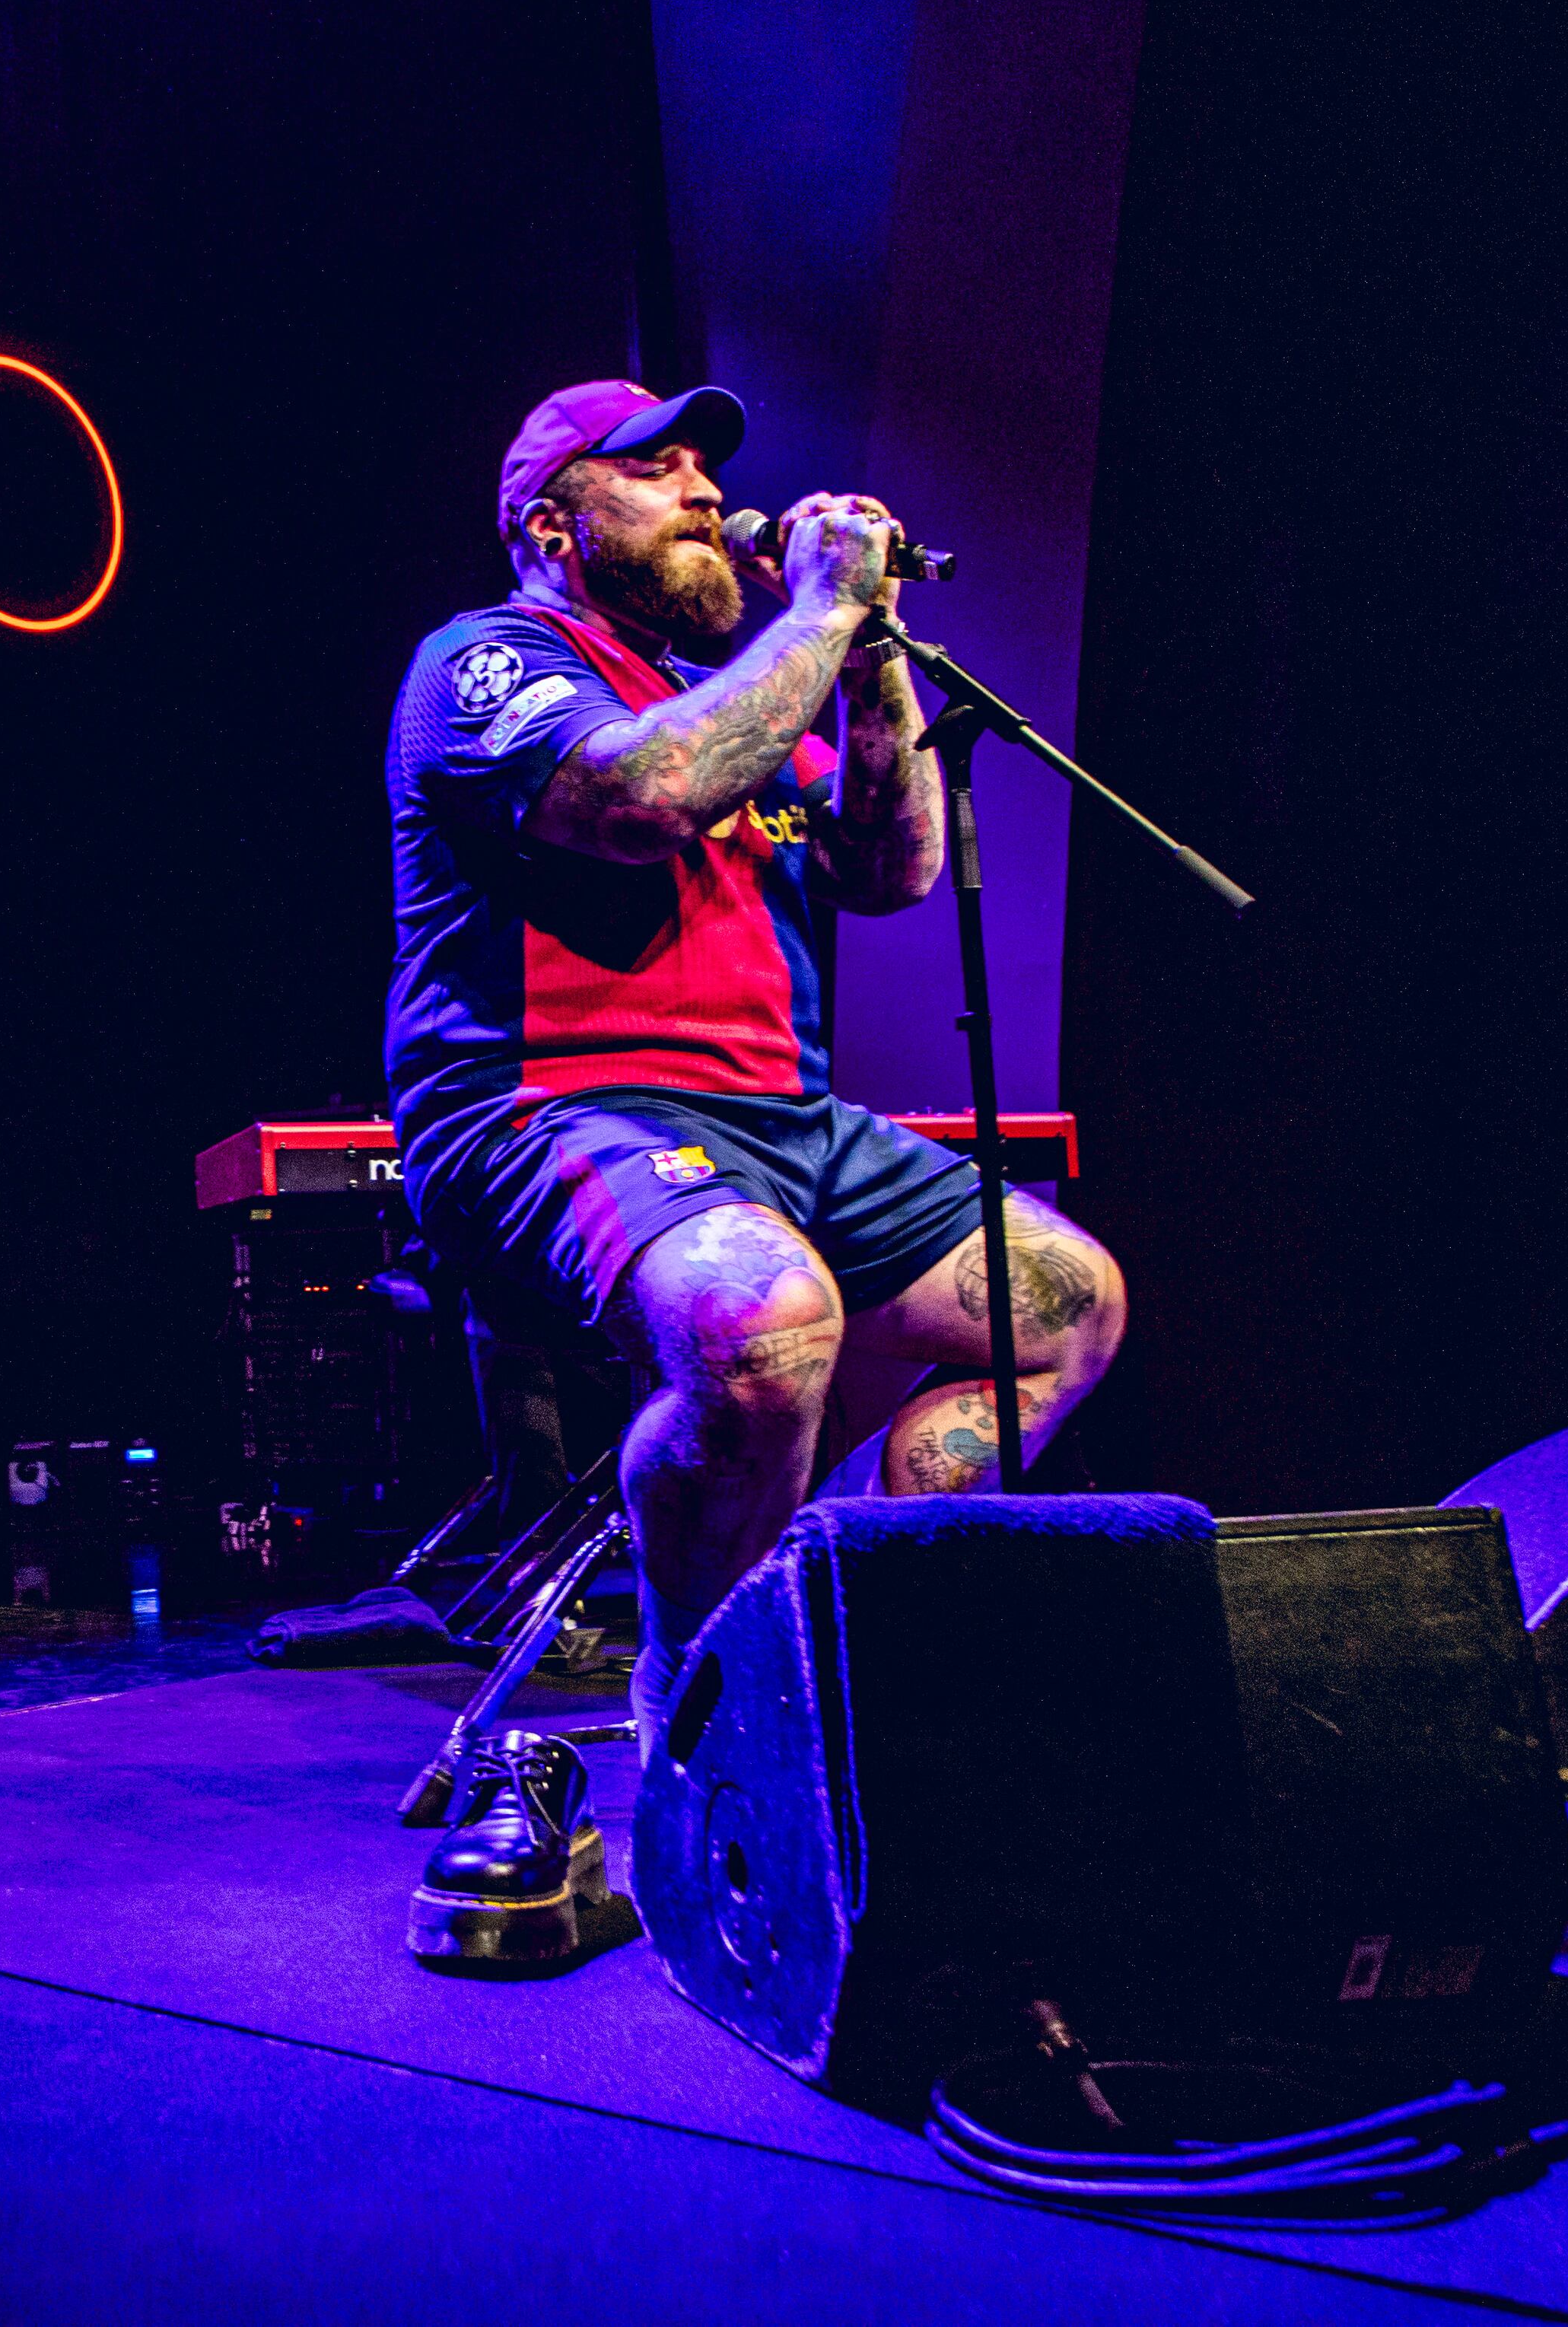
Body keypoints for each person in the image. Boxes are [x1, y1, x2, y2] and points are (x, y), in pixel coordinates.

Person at [383, 381, 1128, 1953]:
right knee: (756, 1315)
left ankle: (829, 1626)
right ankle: (691, 1699)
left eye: (709, 465)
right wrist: (820, 610)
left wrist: (863, 661)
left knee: (1065, 1300)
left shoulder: (743, 687)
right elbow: (638, 795)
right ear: (551, 523)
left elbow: (890, 867)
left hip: (779, 1114)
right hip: (545, 1106)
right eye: (649, 471)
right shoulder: (490, 658)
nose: (704, 492)